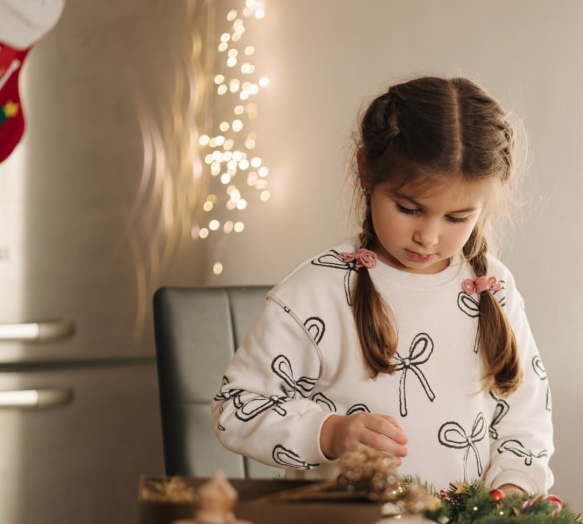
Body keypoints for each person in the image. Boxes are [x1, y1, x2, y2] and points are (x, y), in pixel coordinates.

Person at [212, 75, 554, 495]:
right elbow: (236, 410)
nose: (428, 237)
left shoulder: (493, 287)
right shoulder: (316, 293)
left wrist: (514, 491)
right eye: (409, 208)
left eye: (457, 218)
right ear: (365, 171)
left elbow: (525, 418)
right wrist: (331, 433)